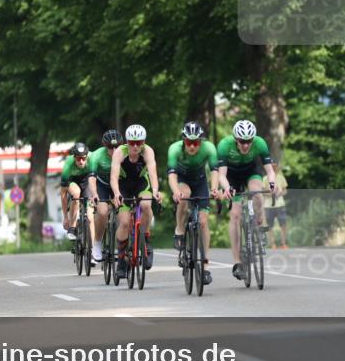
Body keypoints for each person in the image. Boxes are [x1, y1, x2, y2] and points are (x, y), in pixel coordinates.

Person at [217, 120, 276, 281]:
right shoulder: (224, 145)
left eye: (248, 141)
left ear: (253, 139)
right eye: (242, 141)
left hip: (251, 171)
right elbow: (221, 175)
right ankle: (237, 262)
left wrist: (272, 184)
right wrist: (227, 188)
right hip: (231, 176)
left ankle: (259, 225)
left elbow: (270, 171)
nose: (245, 145)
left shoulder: (260, 143)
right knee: (235, 215)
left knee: (256, 193)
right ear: (236, 139)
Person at [166, 121, 218, 285]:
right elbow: (172, 175)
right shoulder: (175, 149)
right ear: (184, 141)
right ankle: (180, 230)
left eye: (196, 143)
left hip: (200, 182)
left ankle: (205, 266)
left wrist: (214, 189)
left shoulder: (209, 148)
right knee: (184, 195)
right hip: (182, 180)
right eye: (189, 142)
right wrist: (176, 191)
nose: (192, 146)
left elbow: (214, 171)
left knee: (203, 222)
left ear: (201, 141)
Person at [110, 124, 162, 279]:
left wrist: (155, 190)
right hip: (123, 185)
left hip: (141, 183)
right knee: (125, 223)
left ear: (143, 142)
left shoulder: (148, 151)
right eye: (132, 143)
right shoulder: (120, 152)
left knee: (146, 204)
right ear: (127, 142)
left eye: (138, 142)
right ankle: (121, 260)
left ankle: (145, 239)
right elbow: (113, 177)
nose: (135, 146)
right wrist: (117, 193)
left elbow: (152, 174)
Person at [60, 142, 99, 265]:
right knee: (76, 194)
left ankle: (92, 252)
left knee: (90, 218)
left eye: (83, 158)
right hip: (73, 182)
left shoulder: (92, 159)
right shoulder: (68, 165)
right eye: (78, 159)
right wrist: (65, 217)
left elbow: (96, 180)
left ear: (87, 156)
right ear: (74, 157)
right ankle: (73, 227)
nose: (81, 161)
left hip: (87, 181)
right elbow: (63, 193)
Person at [92, 130, 122, 265]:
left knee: (125, 212)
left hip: (119, 185)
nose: (114, 150)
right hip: (102, 185)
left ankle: (122, 244)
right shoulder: (97, 155)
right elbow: (92, 178)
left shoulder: (125, 154)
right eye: (110, 147)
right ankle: (97, 243)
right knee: (103, 211)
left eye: (117, 146)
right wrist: (94, 194)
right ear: (105, 146)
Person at [265, 160, 289, 250]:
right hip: (268, 205)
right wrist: (270, 194)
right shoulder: (265, 178)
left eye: (275, 166)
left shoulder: (281, 177)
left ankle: (283, 243)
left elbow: (285, 190)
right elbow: (263, 191)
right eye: (272, 166)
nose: (274, 168)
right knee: (269, 225)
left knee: (283, 224)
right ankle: (273, 244)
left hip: (280, 204)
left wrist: (280, 193)